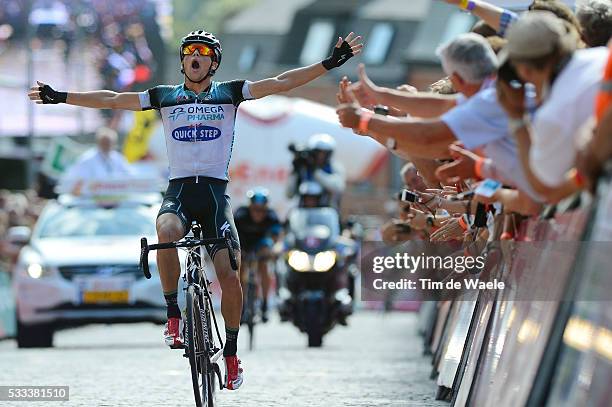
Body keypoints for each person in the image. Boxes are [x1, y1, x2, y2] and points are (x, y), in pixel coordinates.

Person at [29, 28, 362, 390]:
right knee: (166, 231)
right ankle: (173, 314)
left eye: (203, 52)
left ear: (213, 62)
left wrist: (331, 62)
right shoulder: (164, 97)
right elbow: (111, 98)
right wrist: (59, 96)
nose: (195, 56)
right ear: (184, 61)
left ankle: (232, 355)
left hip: (216, 197)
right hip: (180, 191)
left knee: (229, 277)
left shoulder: (229, 93)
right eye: (189, 52)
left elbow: (282, 82)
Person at [496, 12, 609, 201]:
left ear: (525, 70)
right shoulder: (602, 55)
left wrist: (517, 119)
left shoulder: (553, 115)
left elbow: (544, 188)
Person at [233, 188, 281, 323]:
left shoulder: (271, 217)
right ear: (249, 207)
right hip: (243, 244)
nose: (258, 214)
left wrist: (273, 250)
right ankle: (242, 306)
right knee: (240, 271)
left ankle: (264, 304)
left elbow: (276, 237)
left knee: (264, 265)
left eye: (261, 210)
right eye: (255, 209)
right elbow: (231, 234)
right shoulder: (240, 215)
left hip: (261, 246)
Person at [59, 127, 133, 193]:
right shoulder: (86, 159)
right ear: (99, 142)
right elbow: (81, 182)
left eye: (110, 143)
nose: (107, 145)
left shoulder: (119, 158)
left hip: (116, 198)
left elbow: (129, 176)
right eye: (105, 143)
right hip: (91, 200)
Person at [287, 133, 346, 209]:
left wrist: (315, 171)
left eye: (324, 153)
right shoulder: (304, 169)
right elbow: (289, 195)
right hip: (303, 214)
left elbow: (338, 188)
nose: (320, 156)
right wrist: (295, 171)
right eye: (318, 152)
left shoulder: (335, 167)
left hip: (328, 213)